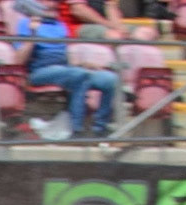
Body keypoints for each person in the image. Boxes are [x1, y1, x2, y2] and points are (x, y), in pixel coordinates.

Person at [13, 0, 119, 137]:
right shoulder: (25, 23)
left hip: (65, 69)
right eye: (48, 3)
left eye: (54, 3)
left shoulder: (59, 24)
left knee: (110, 79)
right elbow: (19, 59)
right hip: (39, 71)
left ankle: (100, 128)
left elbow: (64, 57)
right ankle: (76, 129)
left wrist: (83, 64)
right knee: (79, 75)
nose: (53, 5)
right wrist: (32, 34)